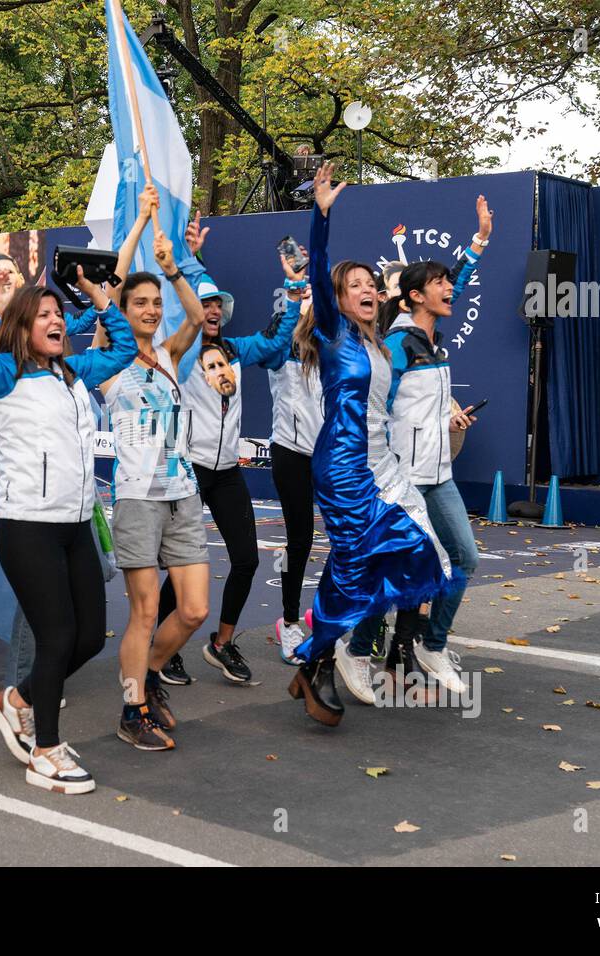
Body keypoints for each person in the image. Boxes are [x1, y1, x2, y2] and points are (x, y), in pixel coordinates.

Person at [289, 163, 456, 727]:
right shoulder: (335, 334)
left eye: (369, 284)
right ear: (336, 299)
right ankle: (319, 661)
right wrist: (322, 212)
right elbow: (318, 271)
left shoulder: (379, 345)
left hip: (383, 465)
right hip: (341, 466)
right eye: (352, 285)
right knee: (357, 564)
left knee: (423, 553)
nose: (365, 290)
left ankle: (333, 649)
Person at [0, 263, 136, 792]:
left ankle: (14, 700)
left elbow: (124, 348)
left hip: (77, 524)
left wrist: (97, 297)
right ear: (21, 328)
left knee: (86, 639)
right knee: (56, 637)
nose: (56, 320)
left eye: (59, 313)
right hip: (29, 528)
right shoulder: (3, 373)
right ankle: (45, 749)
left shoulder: (74, 373)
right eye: (42, 316)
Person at [337, 197, 493, 701]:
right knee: (396, 568)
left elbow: (460, 284)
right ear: (412, 298)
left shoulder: (430, 340)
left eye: (450, 282)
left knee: (463, 558)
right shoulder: (399, 344)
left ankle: (431, 643)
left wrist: (479, 241)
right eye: (440, 283)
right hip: (401, 478)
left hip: (437, 473)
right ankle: (355, 650)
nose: (450, 288)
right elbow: (375, 410)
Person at [89, 185, 209, 751]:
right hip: (136, 498)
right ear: (124, 310)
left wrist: (172, 269)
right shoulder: (109, 363)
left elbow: (194, 315)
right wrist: (138, 224)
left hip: (184, 492)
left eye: (154, 303)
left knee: (192, 609)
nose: (152, 310)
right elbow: (110, 284)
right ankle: (131, 706)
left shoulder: (170, 354)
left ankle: (153, 674)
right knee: (142, 611)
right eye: (141, 303)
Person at [153, 223, 299, 686]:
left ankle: (222, 642)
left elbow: (277, 342)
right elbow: (181, 302)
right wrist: (191, 260)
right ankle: (165, 643)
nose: (212, 310)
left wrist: (295, 287)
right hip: (191, 471)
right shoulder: (183, 351)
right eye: (206, 303)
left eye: (218, 304)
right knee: (183, 566)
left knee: (247, 559)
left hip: (227, 471)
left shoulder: (236, 349)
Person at [259, 256, 321, 664]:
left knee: (353, 539)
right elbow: (272, 343)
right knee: (300, 540)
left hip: (331, 456)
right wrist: (294, 290)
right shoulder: (281, 343)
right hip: (291, 452)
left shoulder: (332, 345)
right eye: (306, 292)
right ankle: (289, 622)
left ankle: (324, 615)